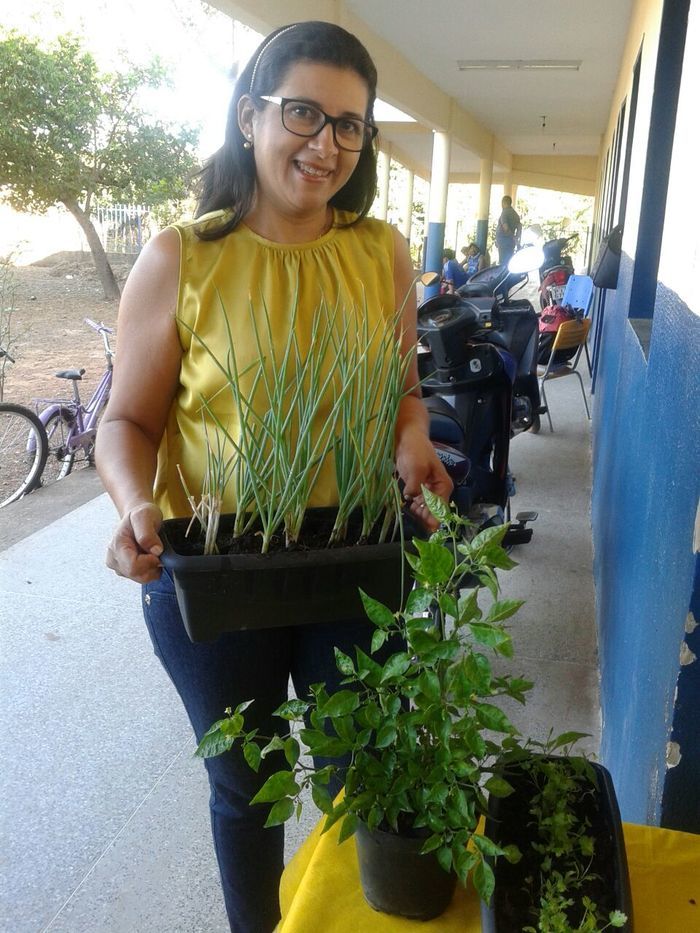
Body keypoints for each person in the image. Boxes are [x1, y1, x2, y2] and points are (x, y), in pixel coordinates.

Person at [95, 21, 452, 933]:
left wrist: (413, 440)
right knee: (246, 787)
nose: (326, 143)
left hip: (354, 560)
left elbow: (403, 394)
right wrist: (137, 506)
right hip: (216, 574)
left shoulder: (382, 254)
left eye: (349, 124)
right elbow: (126, 422)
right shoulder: (183, 256)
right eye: (304, 113)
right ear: (250, 115)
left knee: (353, 774)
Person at [495, 195, 522, 265]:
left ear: (503, 202)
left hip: (504, 240)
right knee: (509, 261)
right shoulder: (515, 214)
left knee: (503, 262)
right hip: (510, 242)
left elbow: (505, 228)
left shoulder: (504, 212)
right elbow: (519, 227)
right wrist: (516, 238)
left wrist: (512, 236)